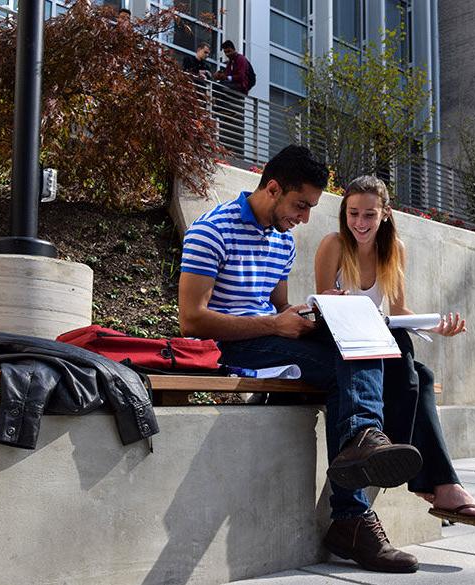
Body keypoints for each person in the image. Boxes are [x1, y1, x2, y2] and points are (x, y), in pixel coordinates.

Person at [178, 146, 424, 574]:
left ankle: (360, 452)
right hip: (231, 346)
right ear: (273, 189)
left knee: (358, 335)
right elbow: (192, 320)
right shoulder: (212, 231)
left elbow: (280, 309)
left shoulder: (282, 241)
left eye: (311, 207)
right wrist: (275, 325)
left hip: (271, 339)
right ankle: (353, 503)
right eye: (301, 205)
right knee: (348, 365)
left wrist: (313, 317)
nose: (306, 218)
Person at [314, 175, 475, 528]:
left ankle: (427, 476)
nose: (360, 222)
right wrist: (335, 299)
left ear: (385, 213)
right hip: (342, 343)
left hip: (378, 343)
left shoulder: (395, 249)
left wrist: (433, 325)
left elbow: (399, 311)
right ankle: (438, 483)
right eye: (353, 213)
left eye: (369, 215)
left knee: (423, 373)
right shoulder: (334, 245)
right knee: (409, 361)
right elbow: (323, 307)